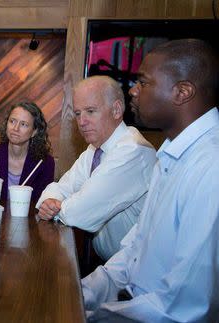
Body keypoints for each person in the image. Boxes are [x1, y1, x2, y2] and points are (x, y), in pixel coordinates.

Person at [82, 39, 219, 322]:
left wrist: (96, 315)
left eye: (143, 83)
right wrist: (82, 293)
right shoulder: (168, 154)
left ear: (182, 92)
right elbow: (135, 249)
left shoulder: (211, 165)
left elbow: (184, 307)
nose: (133, 91)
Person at [36, 76, 157, 260]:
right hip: (111, 265)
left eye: (90, 111)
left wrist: (57, 207)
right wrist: (49, 201)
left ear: (116, 110)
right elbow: (60, 187)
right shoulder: (94, 150)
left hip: (139, 272)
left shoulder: (133, 150)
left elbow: (81, 211)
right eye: (77, 113)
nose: (82, 122)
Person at [0, 101, 55, 204]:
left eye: (23, 124)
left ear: (34, 132)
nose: (15, 128)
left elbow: (43, 204)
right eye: (12, 121)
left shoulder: (45, 163)